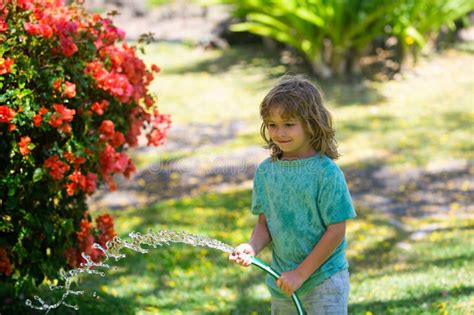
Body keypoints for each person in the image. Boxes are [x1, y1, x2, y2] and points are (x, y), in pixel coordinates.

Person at [229, 74, 357, 314]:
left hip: (324, 281)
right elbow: (265, 224)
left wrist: (301, 273)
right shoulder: (267, 172)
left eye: (289, 124)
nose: (280, 133)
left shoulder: (326, 173)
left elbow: (336, 230)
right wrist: (252, 247)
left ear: (311, 123)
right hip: (282, 281)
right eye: (272, 124)